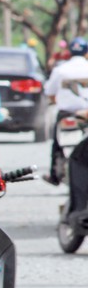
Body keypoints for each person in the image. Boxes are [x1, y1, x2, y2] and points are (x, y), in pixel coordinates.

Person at [42, 36, 88, 185]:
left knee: (57, 145)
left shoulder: (60, 69)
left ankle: (54, 176)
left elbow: (50, 92)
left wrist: (57, 101)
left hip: (65, 114)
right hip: (86, 114)